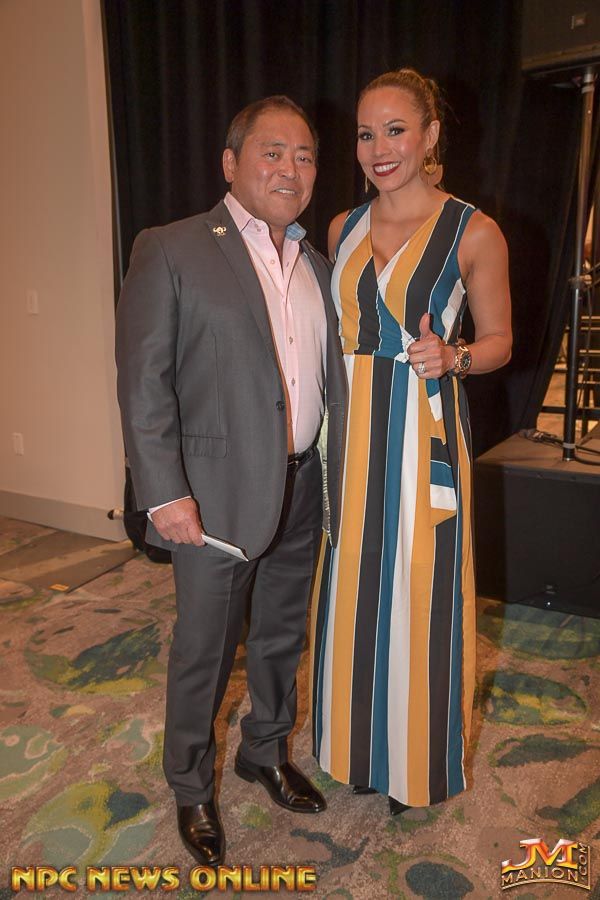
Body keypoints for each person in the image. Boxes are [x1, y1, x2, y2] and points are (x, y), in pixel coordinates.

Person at [115, 95, 347, 865]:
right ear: (230, 163)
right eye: (272, 152)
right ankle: (190, 786)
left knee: (282, 634)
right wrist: (163, 492)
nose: (291, 168)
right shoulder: (173, 247)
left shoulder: (317, 264)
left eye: (305, 155)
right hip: (210, 497)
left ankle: (264, 751)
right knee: (205, 651)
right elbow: (143, 380)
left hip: (301, 484)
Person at [310, 69, 512, 816]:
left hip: (423, 430)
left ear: (430, 135)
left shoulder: (474, 231)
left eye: (396, 130)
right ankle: (355, 750)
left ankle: (415, 759)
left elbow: (500, 341)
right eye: (366, 133)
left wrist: (454, 356)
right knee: (351, 588)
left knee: (421, 591)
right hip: (350, 431)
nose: (379, 148)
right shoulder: (342, 228)